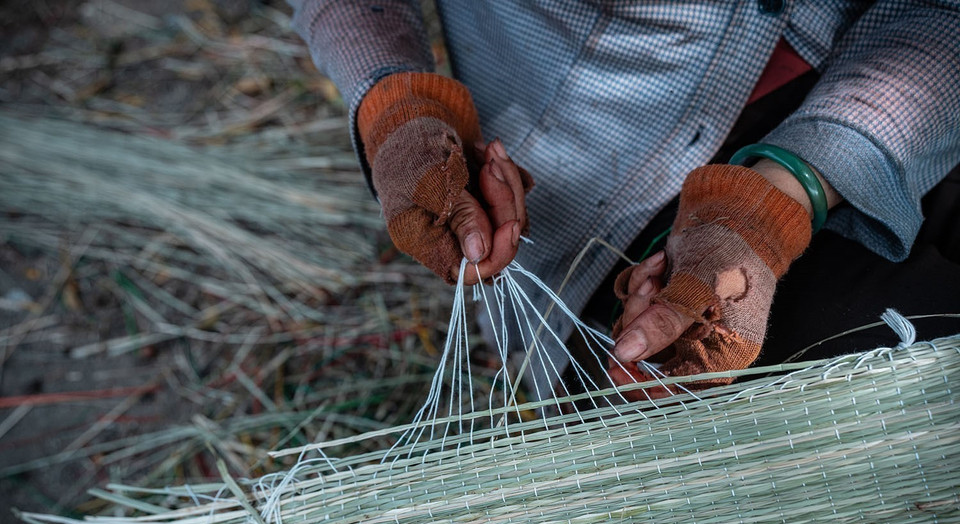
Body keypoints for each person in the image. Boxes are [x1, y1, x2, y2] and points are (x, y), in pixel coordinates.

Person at [288, 1, 960, 389]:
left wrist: (773, 204)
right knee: (840, 387)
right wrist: (393, 102)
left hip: (893, 119)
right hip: (611, 212)